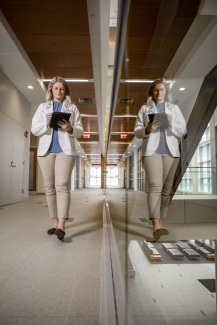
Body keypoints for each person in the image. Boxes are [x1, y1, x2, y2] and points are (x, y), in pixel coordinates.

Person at [31, 76, 83, 241]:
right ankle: (54, 223)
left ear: (65, 91)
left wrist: (70, 128)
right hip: (46, 152)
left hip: (65, 151)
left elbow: (80, 131)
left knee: (62, 185)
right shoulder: (42, 107)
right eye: (56, 88)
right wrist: (46, 123)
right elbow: (34, 129)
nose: (59, 91)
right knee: (49, 187)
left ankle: (61, 224)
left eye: (62, 89)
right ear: (51, 90)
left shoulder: (72, 108)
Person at [134, 78, 186, 240]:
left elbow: (182, 131)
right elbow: (137, 131)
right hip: (152, 152)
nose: (159, 93)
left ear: (166, 92)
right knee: (155, 186)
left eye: (161, 90)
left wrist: (171, 124)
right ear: (152, 92)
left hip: (171, 153)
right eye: (155, 90)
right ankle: (156, 224)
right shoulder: (144, 109)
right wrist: (147, 128)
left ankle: (161, 222)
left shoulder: (174, 109)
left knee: (167, 189)